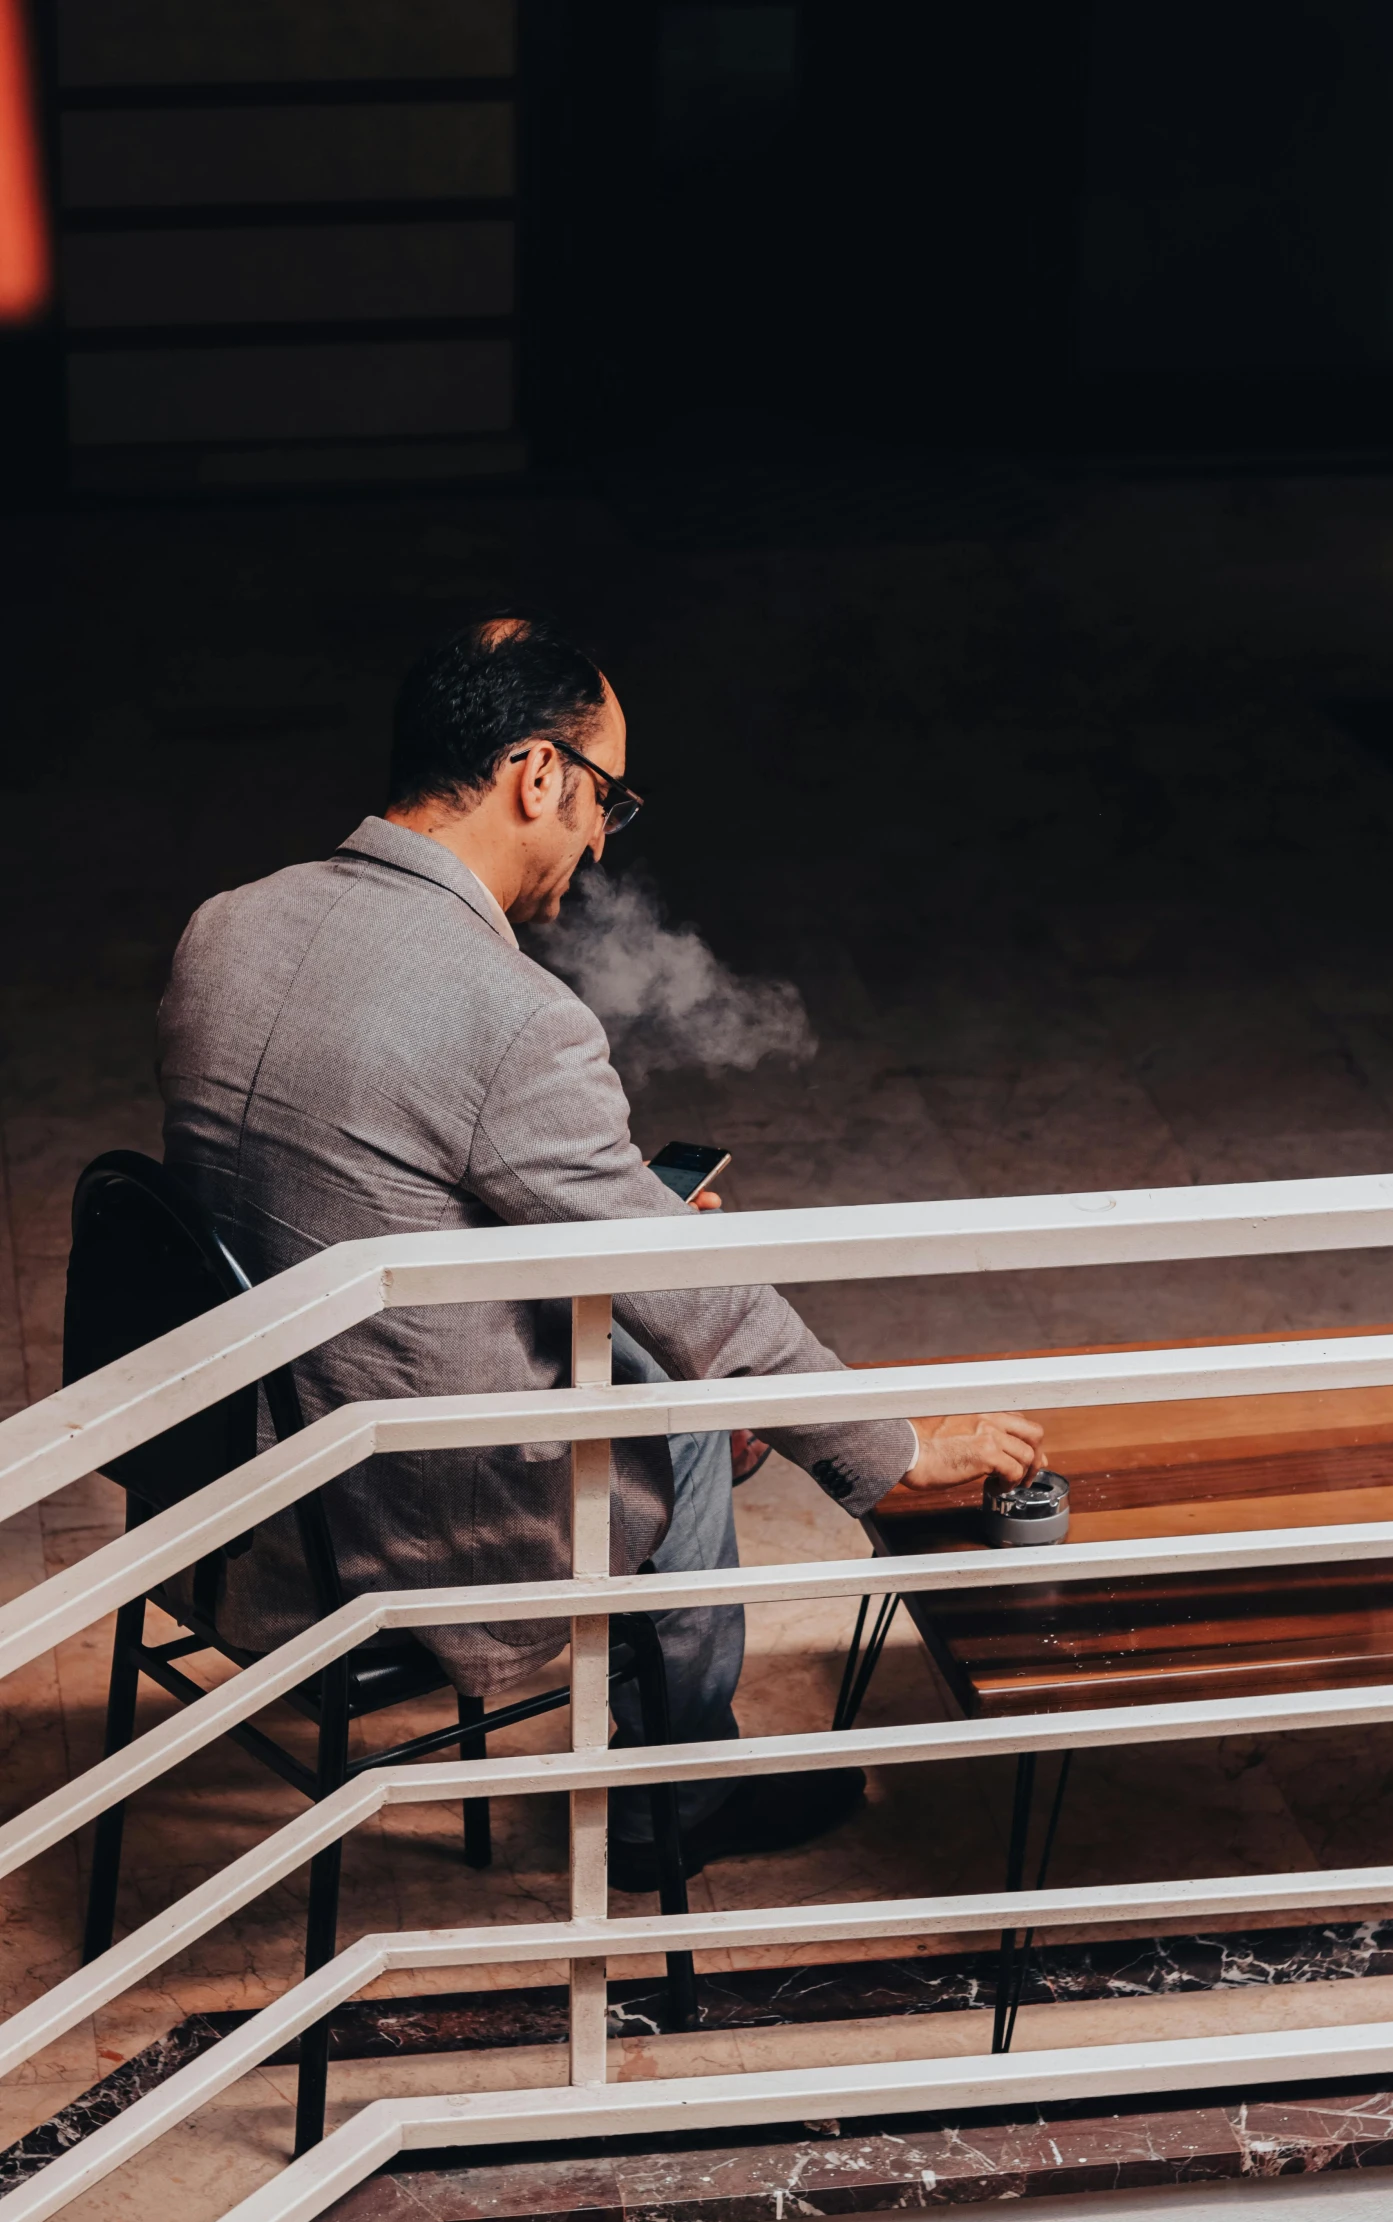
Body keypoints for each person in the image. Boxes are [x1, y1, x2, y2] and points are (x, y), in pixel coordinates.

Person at [156, 616, 1048, 1887]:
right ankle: (668, 1792)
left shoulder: (225, 926)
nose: (596, 842)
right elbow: (687, 1295)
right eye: (604, 801)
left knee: (659, 1323)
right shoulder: (513, 1015)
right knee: (682, 1387)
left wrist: (638, 1259)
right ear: (537, 776)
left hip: (237, 1478)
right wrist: (889, 1447)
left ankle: (674, 1720)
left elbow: (369, 1196)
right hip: (396, 1521)